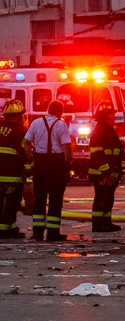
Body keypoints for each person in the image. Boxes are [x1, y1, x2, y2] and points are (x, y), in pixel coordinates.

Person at [23, 100, 72, 242]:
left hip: (40, 163)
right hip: (56, 164)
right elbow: (67, 148)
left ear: (48, 109)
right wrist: (67, 163)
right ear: (60, 111)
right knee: (55, 199)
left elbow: (26, 143)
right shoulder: (61, 124)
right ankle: (53, 233)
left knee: (39, 198)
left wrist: (31, 158)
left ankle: (37, 233)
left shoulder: (36, 123)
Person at [87, 101, 125, 233]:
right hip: (102, 173)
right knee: (101, 199)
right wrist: (106, 174)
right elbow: (97, 156)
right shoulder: (100, 131)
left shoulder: (108, 130)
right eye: (111, 114)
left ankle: (106, 222)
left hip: (109, 173)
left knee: (108, 199)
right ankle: (98, 225)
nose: (113, 117)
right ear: (105, 116)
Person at [0, 101, 27, 239]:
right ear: (19, 116)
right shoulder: (21, 130)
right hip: (12, 173)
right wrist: (29, 168)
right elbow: (24, 151)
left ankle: (10, 227)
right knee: (12, 200)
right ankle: (5, 228)